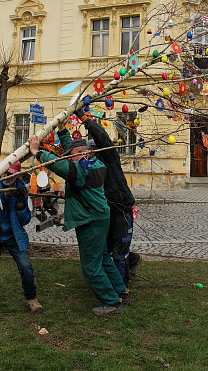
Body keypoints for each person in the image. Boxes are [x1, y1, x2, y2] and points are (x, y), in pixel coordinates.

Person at [28, 124, 131, 316]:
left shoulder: (83, 170)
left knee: (91, 267)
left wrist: (38, 152)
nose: (68, 156)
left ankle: (112, 304)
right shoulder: (93, 162)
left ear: (82, 153)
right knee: (101, 258)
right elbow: (72, 151)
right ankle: (121, 291)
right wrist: (62, 132)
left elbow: (61, 165)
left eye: (72, 154)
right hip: (99, 218)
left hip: (90, 221)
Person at [77, 115, 141, 286]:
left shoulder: (110, 158)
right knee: (108, 249)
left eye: (89, 152)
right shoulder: (89, 166)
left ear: (97, 149)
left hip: (121, 209)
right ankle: (133, 261)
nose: (87, 155)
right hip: (106, 213)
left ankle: (121, 292)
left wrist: (84, 118)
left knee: (119, 254)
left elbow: (103, 137)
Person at [0, 162, 43, 316]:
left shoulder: (22, 189)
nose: (6, 177)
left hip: (13, 235)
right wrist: (3, 197)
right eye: (4, 173)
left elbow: (25, 220)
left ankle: (31, 298)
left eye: (11, 174)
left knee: (26, 266)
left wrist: (20, 204)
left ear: (17, 175)